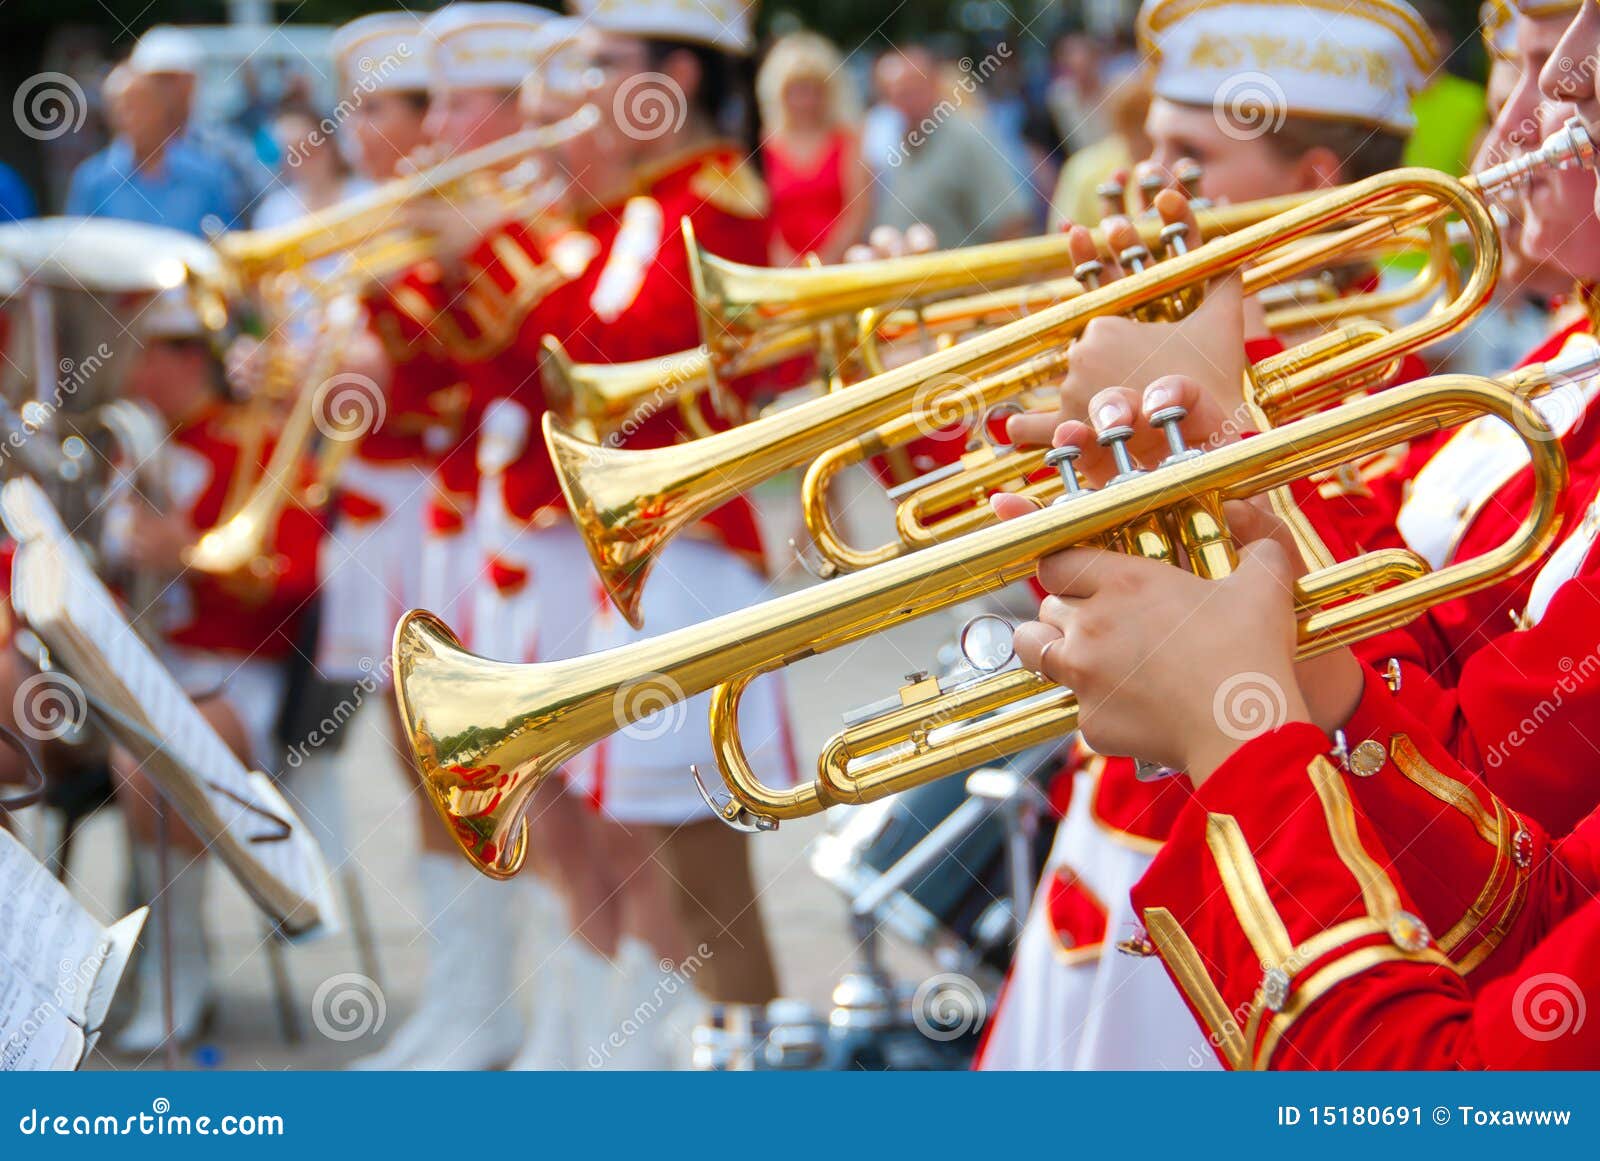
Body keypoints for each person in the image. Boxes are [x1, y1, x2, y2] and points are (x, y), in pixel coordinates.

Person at [976, 0, 1440, 1072]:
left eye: (1188, 155)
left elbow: (1364, 651)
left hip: (1242, 884)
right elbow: (1014, 549)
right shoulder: (1130, 339)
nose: (1144, 179)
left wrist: (1218, 425)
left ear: (1314, 184)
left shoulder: (1394, 393)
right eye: (1147, 145)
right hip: (1098, 836)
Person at [100, 287, 321, 1053]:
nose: (122, 361)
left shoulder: (251, 440)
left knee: (147, 764)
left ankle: (177, 966)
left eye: (140, 344)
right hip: (128, 672)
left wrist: (188, 556)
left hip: (232, 676)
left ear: (188, 357)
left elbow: (297, 576)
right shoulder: (123, 445)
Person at [872, 45, 1034, 247]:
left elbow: (1011, 223)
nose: (901, 102)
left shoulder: (968, 136)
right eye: (891, 94)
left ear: (934, 84)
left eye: (909, 91)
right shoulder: (897, 144)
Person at [66, 55, 245, 235]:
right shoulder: (93, 180)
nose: (128, 117)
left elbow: (226, 244)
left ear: (161, 108)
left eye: (137, 105)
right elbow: (79, 248)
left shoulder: (207, 176)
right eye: (119, 108)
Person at [757, 31, 871, 265]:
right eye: (796, 90)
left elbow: (857, 211)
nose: (805, 101)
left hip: (840, 269)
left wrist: (825, 262)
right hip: (781, 272)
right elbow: (760, 214)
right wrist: (788, 264)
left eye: (813, 89)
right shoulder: (765, 145)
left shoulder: (847, 140)